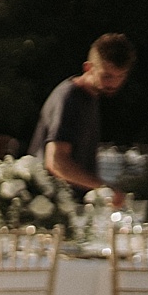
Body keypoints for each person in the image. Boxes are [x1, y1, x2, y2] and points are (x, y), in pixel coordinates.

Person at [29, 33, 136, 202]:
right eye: (107, 76)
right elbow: (56, 161)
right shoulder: (68, 98)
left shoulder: (90, 97)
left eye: (120, 76)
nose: (113, 84)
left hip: (70, 206)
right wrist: (103, 189)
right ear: (88, 68)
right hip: (50, 208)